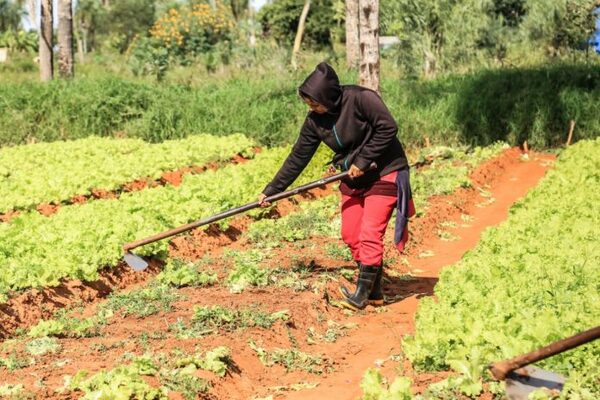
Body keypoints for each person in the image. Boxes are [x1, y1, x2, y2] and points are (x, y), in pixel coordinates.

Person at [258, 62, 415, 310]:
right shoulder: (315, 121)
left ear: (328, 95)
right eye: (308, 103)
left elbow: (388, 128)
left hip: (385, 170)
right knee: (351, 234)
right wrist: (272, 190)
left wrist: (363, 160)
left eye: (315, 102)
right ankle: (374, 290)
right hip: (353, 177)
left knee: (370, 233)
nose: (312, 108)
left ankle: (361, 295)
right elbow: (298, 156)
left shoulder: (362, 98)